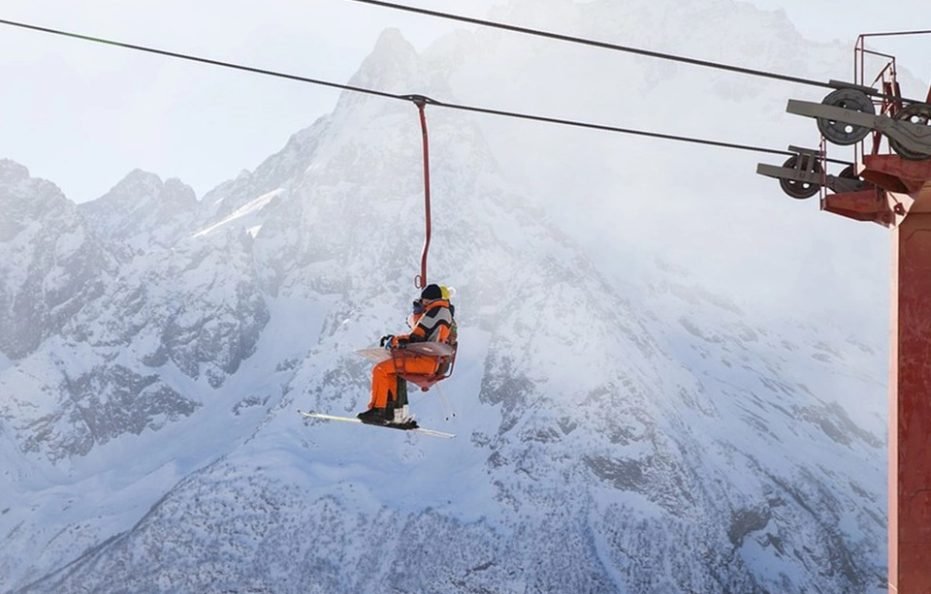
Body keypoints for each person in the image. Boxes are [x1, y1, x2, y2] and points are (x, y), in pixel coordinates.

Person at [357, 283, 456, 425]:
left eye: (424, 300)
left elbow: (417, 336)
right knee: (391, 372)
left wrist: (395, 340)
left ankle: (378, 410)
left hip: (424, 360)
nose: (422, 303)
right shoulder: (443, 311)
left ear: (429, 299)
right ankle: (396, 414)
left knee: (380, 369)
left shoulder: (436, 312)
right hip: (429, 358)